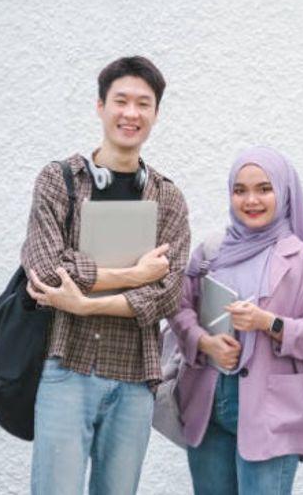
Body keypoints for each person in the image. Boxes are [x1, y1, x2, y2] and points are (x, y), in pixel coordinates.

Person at [22, 56, 191, 494]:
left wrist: (85, 301)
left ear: (156, 113)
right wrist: (134, 273)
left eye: (143, 103)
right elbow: (45, 271)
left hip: (135, 378)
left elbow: (167, 294)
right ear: (100, 106)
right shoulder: (59, 180)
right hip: (66, 366)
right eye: (121, 101)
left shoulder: (168, 198)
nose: (131, 113)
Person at [169, 146, 303, 495]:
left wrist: (269, 323)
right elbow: (179, 306)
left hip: (271, 412)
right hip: (209, 405)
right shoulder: (212, 251)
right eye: (240, 190)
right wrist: (204, 342)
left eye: (264, 188)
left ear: (284, 191)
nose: (251, 200)